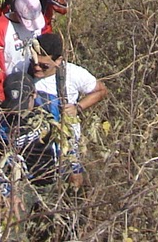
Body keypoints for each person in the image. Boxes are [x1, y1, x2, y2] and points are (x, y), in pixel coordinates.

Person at [30, 32, 107, 189]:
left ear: (58, 61)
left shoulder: (73, 74)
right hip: (35, 145)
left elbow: (101, 90)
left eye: (44, 66)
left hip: (66, 142)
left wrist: (78, 107)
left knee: (74, 182)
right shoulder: (25, 70)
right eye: (34, 62)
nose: (37, 68)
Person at [0, 0, 45, 103]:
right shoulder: (0, 28)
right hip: (9, 84)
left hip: (29, 79)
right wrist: (0, 95)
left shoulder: (36, 25)